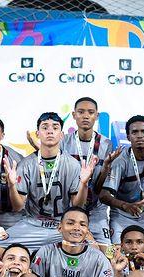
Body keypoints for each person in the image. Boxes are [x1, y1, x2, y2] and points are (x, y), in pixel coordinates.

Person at [1, 112, 96, 252]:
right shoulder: (26, 164)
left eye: (55, 127)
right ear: (37, 134)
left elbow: (78, 206)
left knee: (94, 249)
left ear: (62, 135)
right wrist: (11, 186)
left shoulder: (72, 164)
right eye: (45, 127)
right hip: (32, 224)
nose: (50, 131)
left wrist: (84, 184)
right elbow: (18, 207)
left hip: (62, 225)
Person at [99, 115, 144, 248]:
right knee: (117, 254)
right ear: (128, 137)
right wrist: (125, 206)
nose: (139, 136)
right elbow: (103, 195)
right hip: (122, 216)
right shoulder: (120, 161)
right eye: (134, 132)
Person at [60, 97, 114, 246]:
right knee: (69, 248)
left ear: (97, 116)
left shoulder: (106, 144)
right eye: (81, 112)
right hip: (69, 208)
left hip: (96, 210)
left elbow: (102, 185)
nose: (85, 116)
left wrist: (105, 169)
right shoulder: (64, 141)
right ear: (73, 115)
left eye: (90, 112)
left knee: (106, 252)